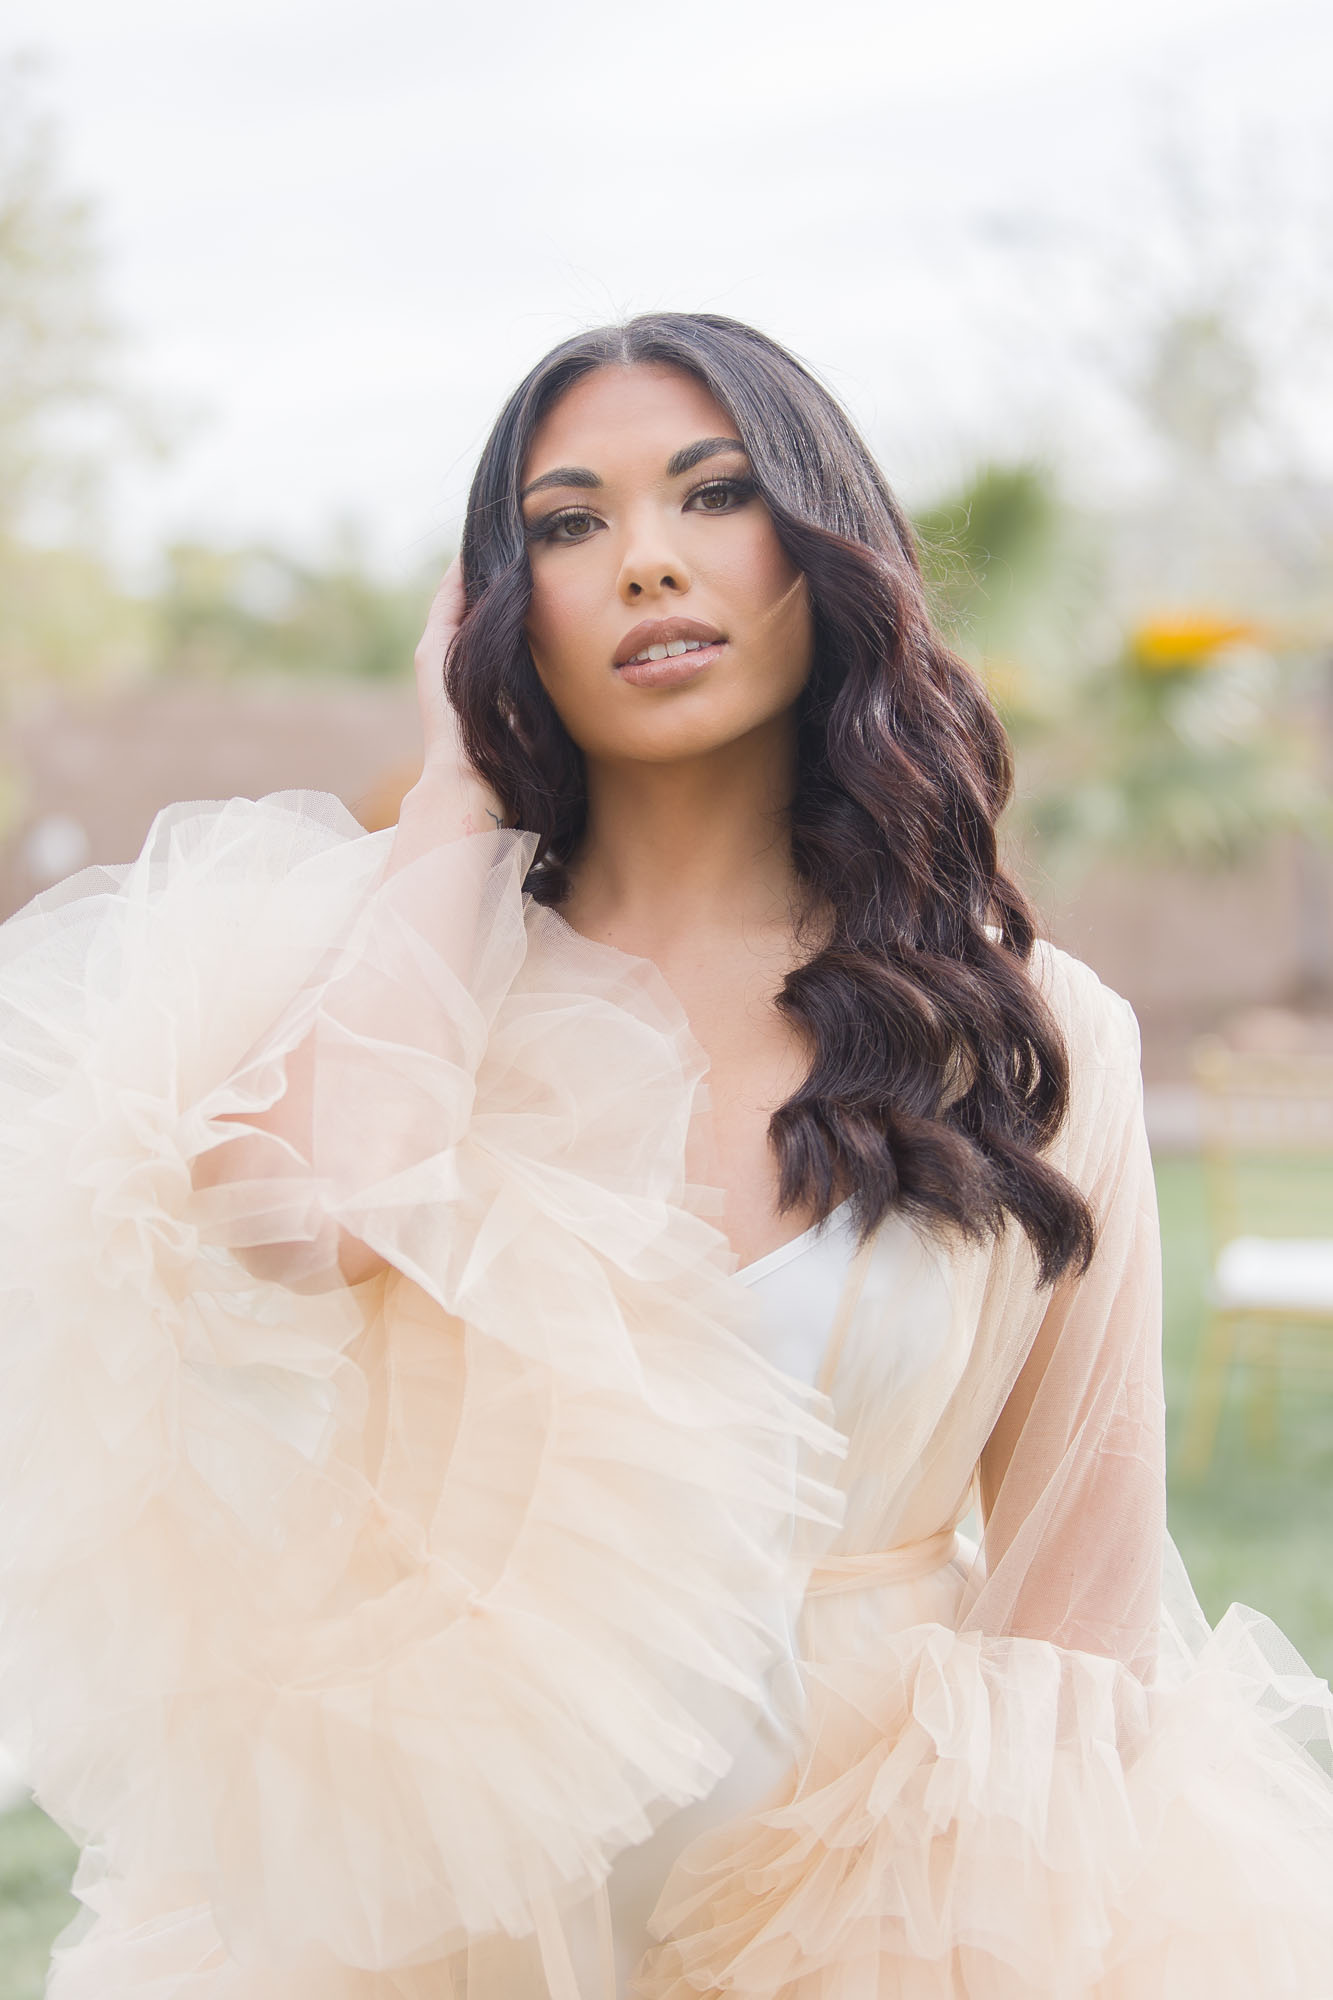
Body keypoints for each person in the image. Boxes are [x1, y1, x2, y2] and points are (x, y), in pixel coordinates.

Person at [0, 312, 1330, 2000]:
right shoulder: (403, 979)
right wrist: (456, 821)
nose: (642, 563)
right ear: (493, 608)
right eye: (567, 522)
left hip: (889, 1919)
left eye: (711, 496)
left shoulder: (1031, 1036)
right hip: (447, 1924)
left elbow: (1078, 1614)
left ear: (820, 551)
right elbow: (292, 1213)